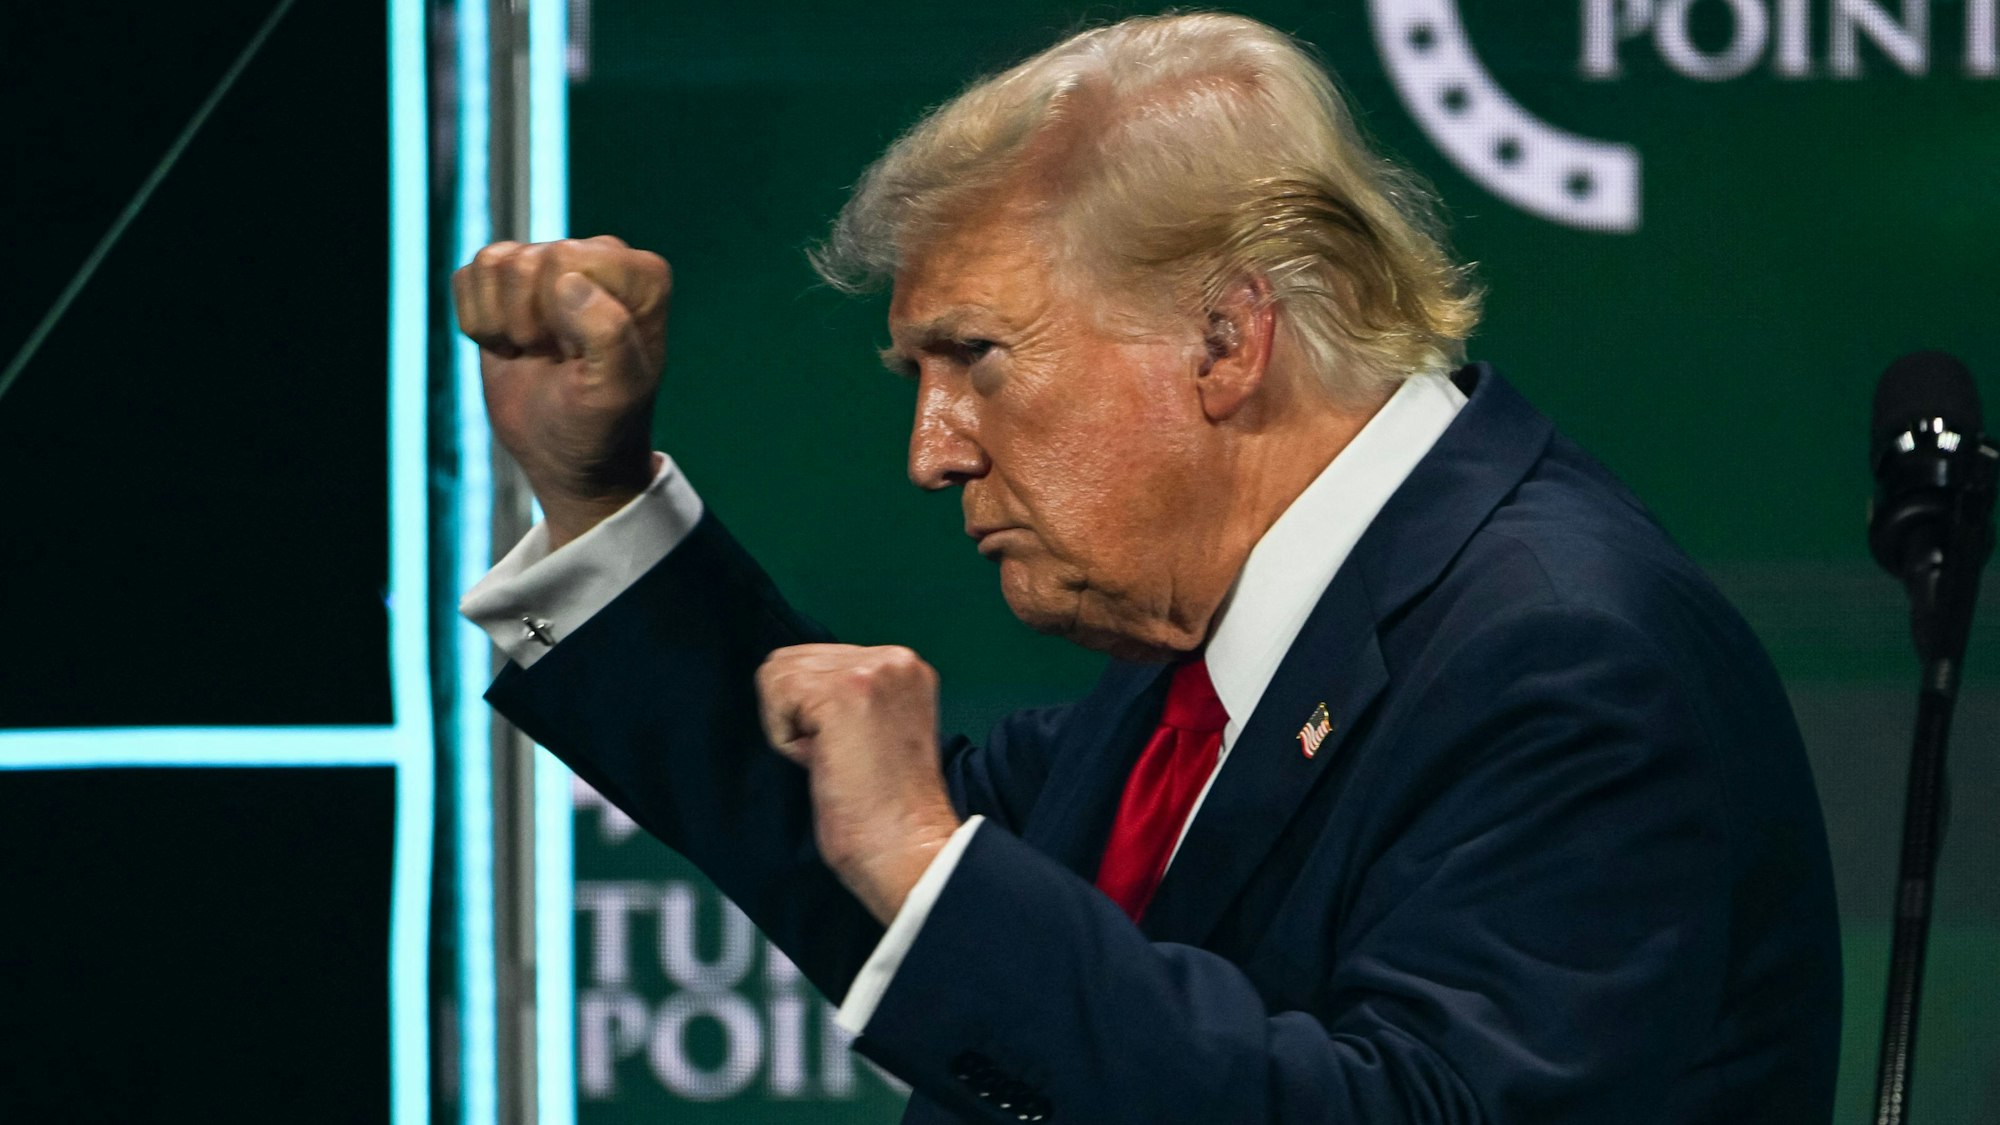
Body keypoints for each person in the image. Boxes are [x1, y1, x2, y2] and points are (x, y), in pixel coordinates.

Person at [454, 13, 1841, 1123]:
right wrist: (597, 494)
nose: (932, 452)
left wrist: (925, 858)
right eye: (916, 375)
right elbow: (885, 852)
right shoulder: (1221, 637)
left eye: (976, 358)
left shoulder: (1563, 652)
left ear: (1228, 340)